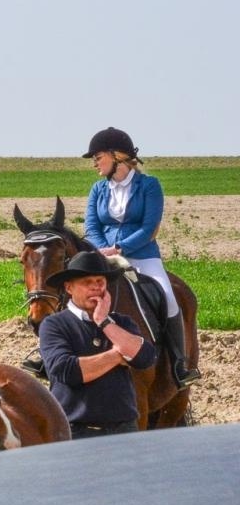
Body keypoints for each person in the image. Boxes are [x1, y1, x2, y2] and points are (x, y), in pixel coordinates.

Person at [82, 127, 198, 385]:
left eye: (98, 157)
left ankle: (179, 364)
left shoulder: (149, 186)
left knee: (168, 297)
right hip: (103, 257)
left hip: (143, 257)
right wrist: (103, 250)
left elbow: (149, 228)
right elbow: (91, 226)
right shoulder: (98, 189)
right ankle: (51, 356)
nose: (95, 164)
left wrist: (119, 248)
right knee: (72, 295)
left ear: (117, 156)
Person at [38, 250, 157, 438]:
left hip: (124, 430)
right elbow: (67, 371)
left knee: (166, 301)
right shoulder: (54, 324)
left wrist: (104, 321)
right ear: (69, 288)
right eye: (87, 282)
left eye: (100, 282)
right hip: (75, 431)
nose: (95, 287)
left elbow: (145, 358)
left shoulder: (122, 322)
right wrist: (118, 355)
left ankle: (179, 365)